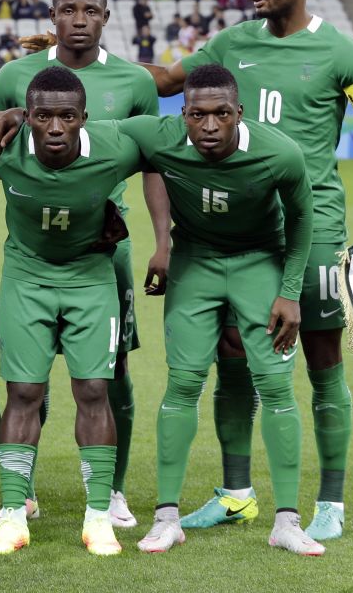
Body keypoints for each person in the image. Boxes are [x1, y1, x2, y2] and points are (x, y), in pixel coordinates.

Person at [143, 0, 353, 542]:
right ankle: (236, 494)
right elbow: (163, 82)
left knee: (321, 361)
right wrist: (81, 55)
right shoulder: (232, 44)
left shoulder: (341, 53)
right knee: (233, 358)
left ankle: (331, 502)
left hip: (310, 230)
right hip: (238, 230)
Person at [0, 0, 170, 529]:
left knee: (112, 373)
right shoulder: (15, 77)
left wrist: (165, 240)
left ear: (107, 17)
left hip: (103, 250)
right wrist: (14, 114)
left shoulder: (135, 81)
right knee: (26, 373)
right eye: (69, 9)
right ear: (52, 16)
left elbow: (154, 161)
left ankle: (112, 492)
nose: (80, 18)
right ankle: (24, 492)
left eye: (91, 9)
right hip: (34, 248)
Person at [116, 64, 322, 556]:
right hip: (196, 264)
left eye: (221, 114)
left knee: (274, 384)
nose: (209, 126)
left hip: (260, 263)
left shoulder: (278, 153)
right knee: (183, 382)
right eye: (197, 115)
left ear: (239, 113)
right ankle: (167, 518)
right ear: (181, 114)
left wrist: (290, 292)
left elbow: (302, 218)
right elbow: (89, 135)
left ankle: (288, 522)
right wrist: (16, 115)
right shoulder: (160, 136)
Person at [0, 68, 142, 557]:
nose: (54, 127)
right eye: (43, 116)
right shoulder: (4, 142)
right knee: (24, 391)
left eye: (66, 117)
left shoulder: (116, 145)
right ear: (28, 117)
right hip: (27, 281)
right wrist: (1, 115)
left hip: (91, 281)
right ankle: (13, 513)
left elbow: (182, 141)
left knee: (94, 388)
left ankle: (98, 517)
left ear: (84, 119)